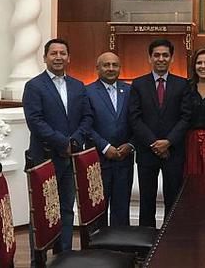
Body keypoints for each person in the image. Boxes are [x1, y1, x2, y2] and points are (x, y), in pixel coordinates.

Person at [23, 38, 92, 252]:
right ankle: (39, 259)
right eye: (53, 53)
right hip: (44, 158)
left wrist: (75, 141)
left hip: (70, 158)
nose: (58, 57)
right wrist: (63, 143)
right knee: (42, 212)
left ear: (69, 58)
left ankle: (64, 256)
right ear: (45, 58)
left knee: (66, 209)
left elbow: (87, 117)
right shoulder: (34, 86)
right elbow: (35, 121)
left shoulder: (78, 85)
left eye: (63, 53)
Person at [128, 39, 191, 227]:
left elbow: (186, 117)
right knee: (146, 202)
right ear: (149, 58)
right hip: (147, 152)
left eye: (165, 55)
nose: (161, 59)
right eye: (156, 55)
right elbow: (135, 118)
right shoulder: (138, 84)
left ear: (172, 59)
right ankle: (145, 248)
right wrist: (154, 143)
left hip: (174, 152)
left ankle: (169, 244)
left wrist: (168, 142)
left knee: (173, 201)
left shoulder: (182, 84)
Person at [86, 52, 134, 226]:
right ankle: (98, 249)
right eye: (106, 65)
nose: (111, 69)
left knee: (122, 208)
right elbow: (86, 125)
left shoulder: (130, 90)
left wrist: (130, 144)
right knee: (98, 207)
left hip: (125, 158)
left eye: (115, 65)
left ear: (120, 68)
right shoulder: (87, 92)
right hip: (99, 159)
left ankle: (121, 248)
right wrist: (105, 147)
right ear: (97, 68)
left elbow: (138, 121)